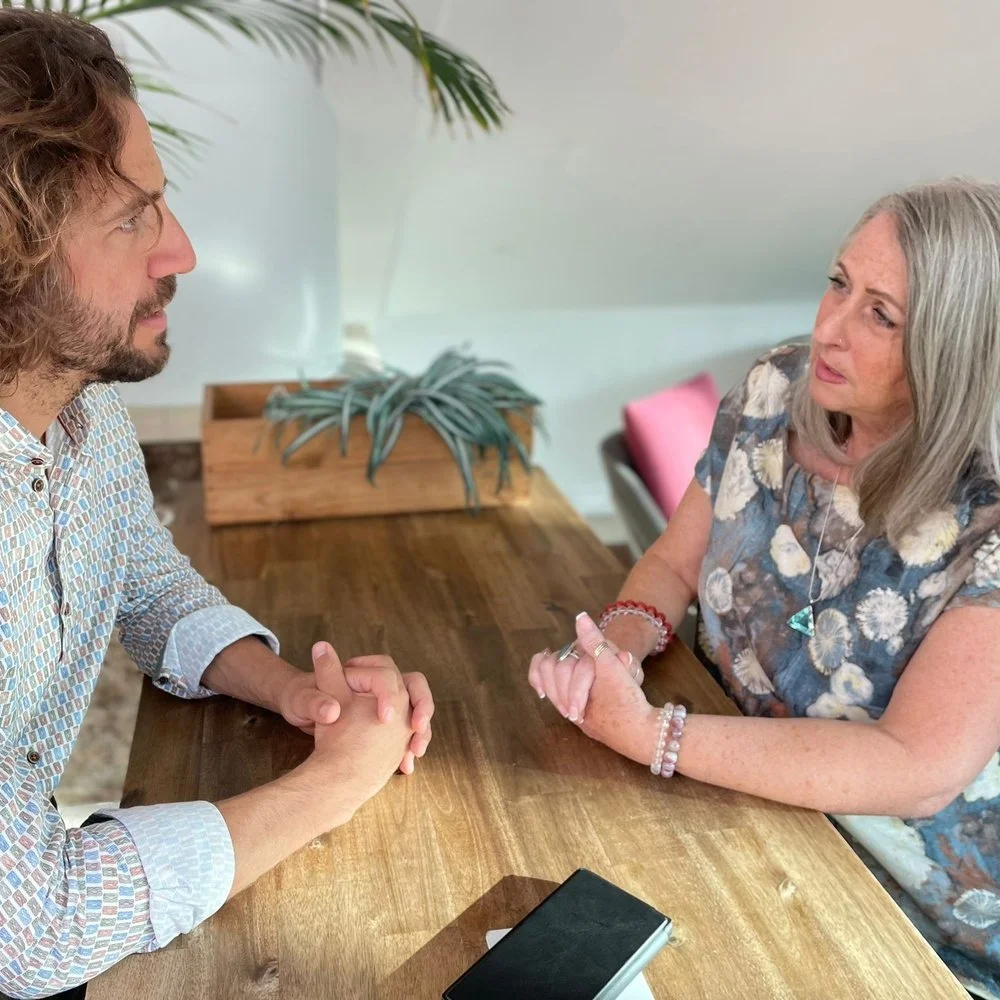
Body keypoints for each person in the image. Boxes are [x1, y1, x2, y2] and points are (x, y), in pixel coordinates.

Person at [0, 11, 435, 998]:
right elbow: (27, 932)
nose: (180, 250)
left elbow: (142, 584)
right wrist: (331, 785)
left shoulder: (81, 407)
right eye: (130, 219)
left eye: (160, 203)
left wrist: (289, 691)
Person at [529, 179, 1000, 998]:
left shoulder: (985, 524)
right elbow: (675, 563)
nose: (829, 328)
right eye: (838, 282)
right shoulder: (775, 390)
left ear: (955, 349)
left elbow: (916, 765)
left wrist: (653, 735)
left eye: (881, 315)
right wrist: (612, 650)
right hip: (742, 816)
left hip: (916, 927)